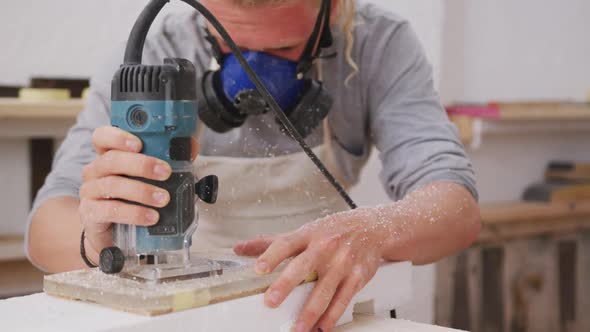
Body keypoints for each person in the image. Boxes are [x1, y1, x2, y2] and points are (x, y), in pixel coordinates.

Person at [27, 0, 481, 331]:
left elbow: (455, 207)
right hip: (184, 310)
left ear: (333, 7)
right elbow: (44, 229)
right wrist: (98, 238)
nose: (252, 70)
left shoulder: (376, 43)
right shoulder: (153, 53)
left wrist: (376, 229)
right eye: (229, 45)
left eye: (283, 47)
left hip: (314, 305)